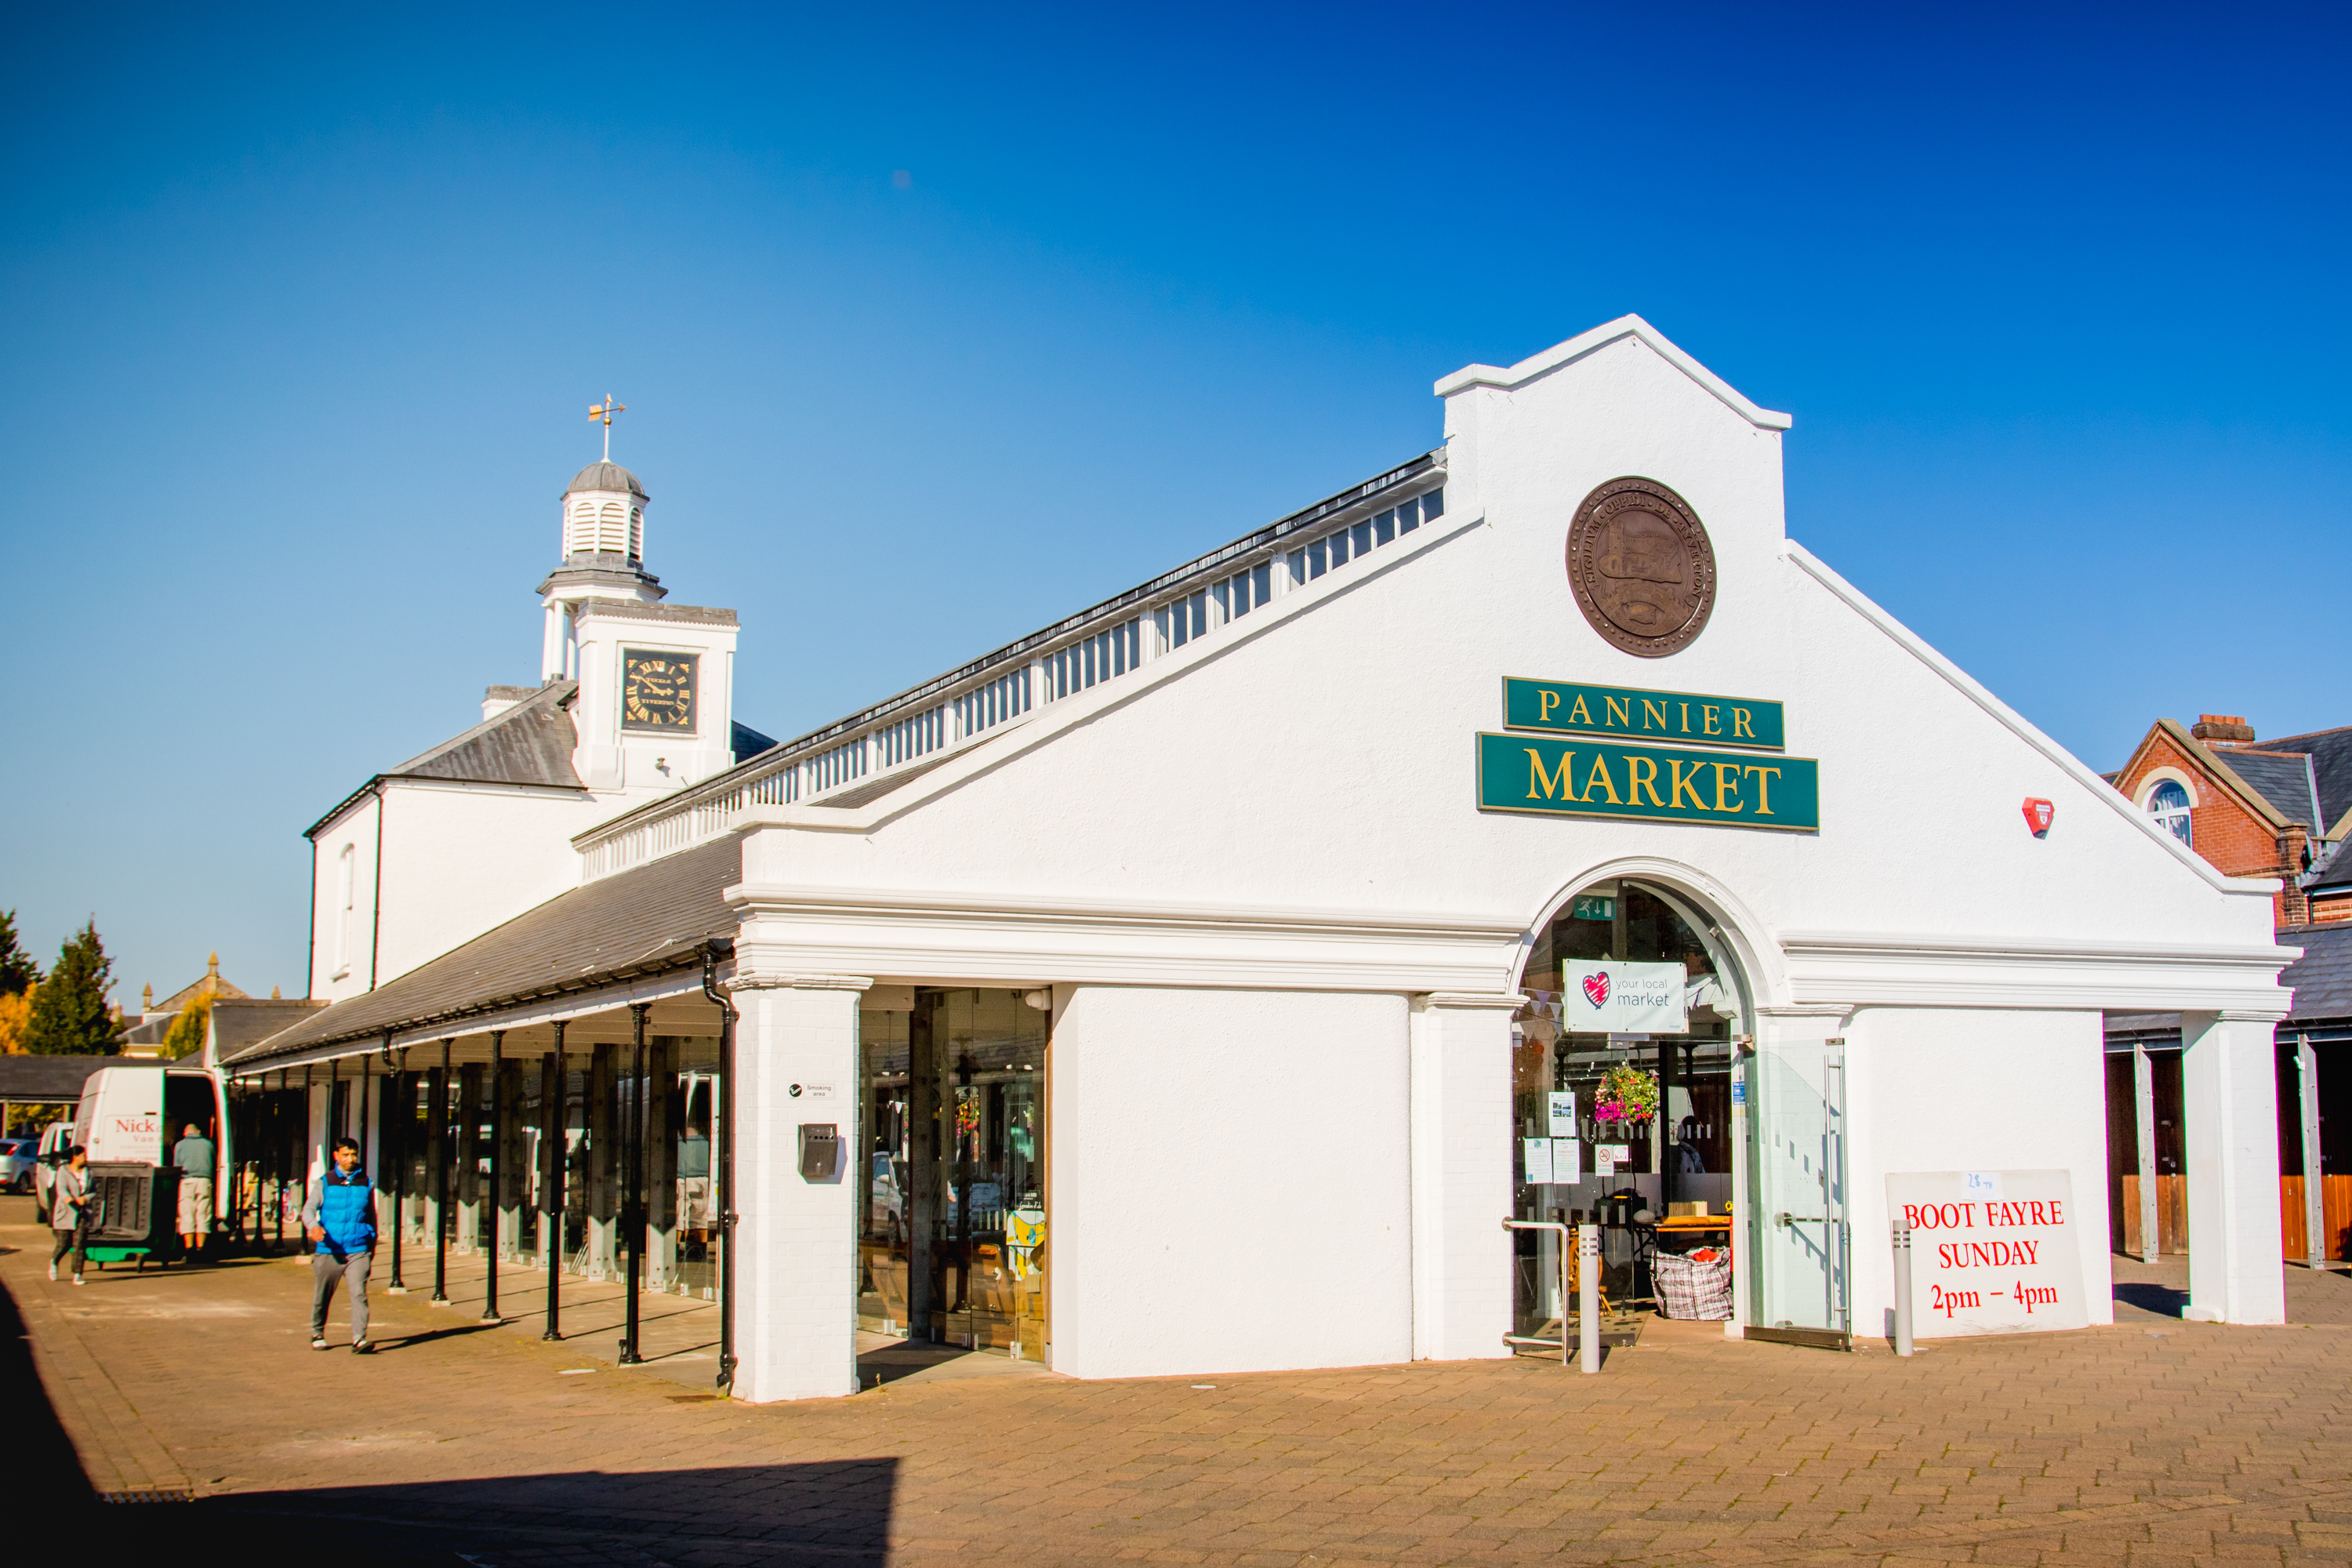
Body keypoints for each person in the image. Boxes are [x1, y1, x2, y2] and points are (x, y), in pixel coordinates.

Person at [302, 1138, 379, 1353]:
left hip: (358, 1249)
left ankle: (359, 1339)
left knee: (359, 1294)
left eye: (353, 1155)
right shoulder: (325, 1182)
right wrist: (314, 1227)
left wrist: (371, 1242)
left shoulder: (366, 1182)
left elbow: (371, 1214)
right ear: (336, 1156)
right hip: (329, 1250)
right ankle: (317, 1332)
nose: (350, 1159)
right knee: (322, 1295)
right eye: (345, 1155)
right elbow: (308, 1210)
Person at [173, 1122, 216, 1258]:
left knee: (187, 1214)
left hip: (187, 1181)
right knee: (203, 1213)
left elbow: (177, 1166)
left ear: (185, 1134)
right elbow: (214, 1162)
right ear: (198, 1132)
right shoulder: (208, 1144)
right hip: (205, 1180)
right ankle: (201, 1248)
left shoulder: (179, 1145)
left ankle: (189, 1249)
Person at [49, 1145, 89, 1285]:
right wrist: (70, 1200)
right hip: (66, 1211)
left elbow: (94, 1190)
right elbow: (61, 1189)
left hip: (82, 1213)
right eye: (83, 1156)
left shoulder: (88, 1172)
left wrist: (87, 1198)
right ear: (75, 1157)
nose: (85, 1158)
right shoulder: (63, 1171)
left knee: (80, 1244)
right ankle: (54, 1262)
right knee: (64, 1244)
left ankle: (77, 1274)